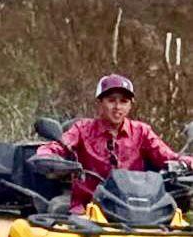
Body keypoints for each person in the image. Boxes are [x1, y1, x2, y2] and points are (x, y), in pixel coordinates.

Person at [35, 74, 193, 213]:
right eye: (111, 100)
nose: (117, 107)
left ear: (130, 105)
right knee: (64, 222)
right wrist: (47, 156)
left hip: (134, 207)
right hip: (88, 205)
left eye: (124, 101)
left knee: (174, 217)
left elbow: (168, 156)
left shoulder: (142, 131)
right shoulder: (82, 129)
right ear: (100, 103)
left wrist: (187, 163)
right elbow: (59, 145)